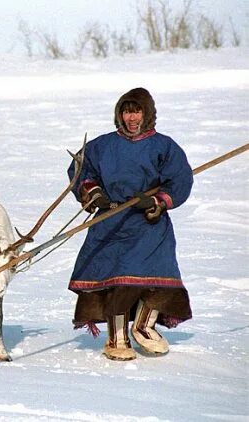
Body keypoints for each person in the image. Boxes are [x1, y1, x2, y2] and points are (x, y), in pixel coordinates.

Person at [67, 87, 193, 361]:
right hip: (111, 222)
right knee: (117, 280)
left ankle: (144, 327)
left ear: (147, 113)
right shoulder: (102, 146)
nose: (131, 117)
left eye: (137, 111)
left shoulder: (164, 146)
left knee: (158, 276)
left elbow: (180, 180)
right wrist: (92, 192)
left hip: (150, 224)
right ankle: (117, 338)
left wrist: (156, 201)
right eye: (126, 111)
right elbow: (79, 169)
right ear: (119, 114)